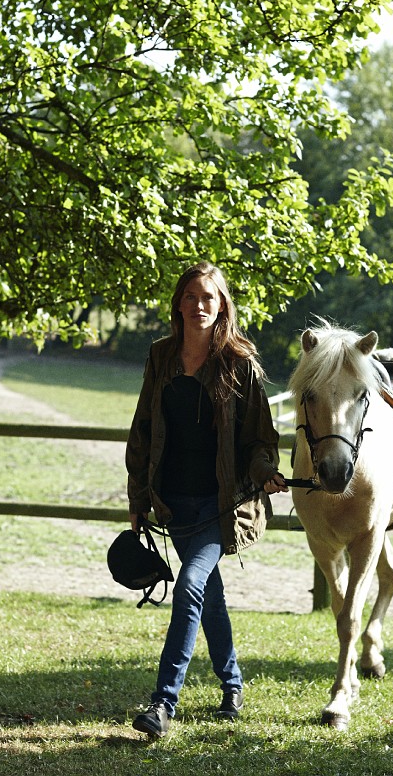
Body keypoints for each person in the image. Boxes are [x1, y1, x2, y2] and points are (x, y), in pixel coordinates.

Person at [125, 260, 287, 738]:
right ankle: (232, 684)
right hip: (173, 503)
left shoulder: (240, 364)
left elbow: (260, 440)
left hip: (222, 506)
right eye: (191, 296)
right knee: (208, 595)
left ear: (222, 307)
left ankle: (162, 703)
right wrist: (139, 498)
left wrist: (264, 473)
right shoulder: (161, 357)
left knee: (191, 586)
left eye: (209, 298)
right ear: (179, 303)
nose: (199, 305)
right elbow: (143, 430)